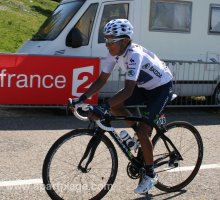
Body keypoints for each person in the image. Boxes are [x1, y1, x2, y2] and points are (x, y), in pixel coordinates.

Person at [70, 19, 173, 194]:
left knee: (143, 128)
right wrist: (81, 98)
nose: (107, 45)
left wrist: (102, 107)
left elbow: (127, 90)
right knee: (115, 107)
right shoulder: (113, 54)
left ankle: (150, 174)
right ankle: (137, 136)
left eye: (111, 41)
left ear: (125, 40)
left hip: (161, 88)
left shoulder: (135, 55)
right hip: (144, 87)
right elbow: (101, 80)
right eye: (106, 40)